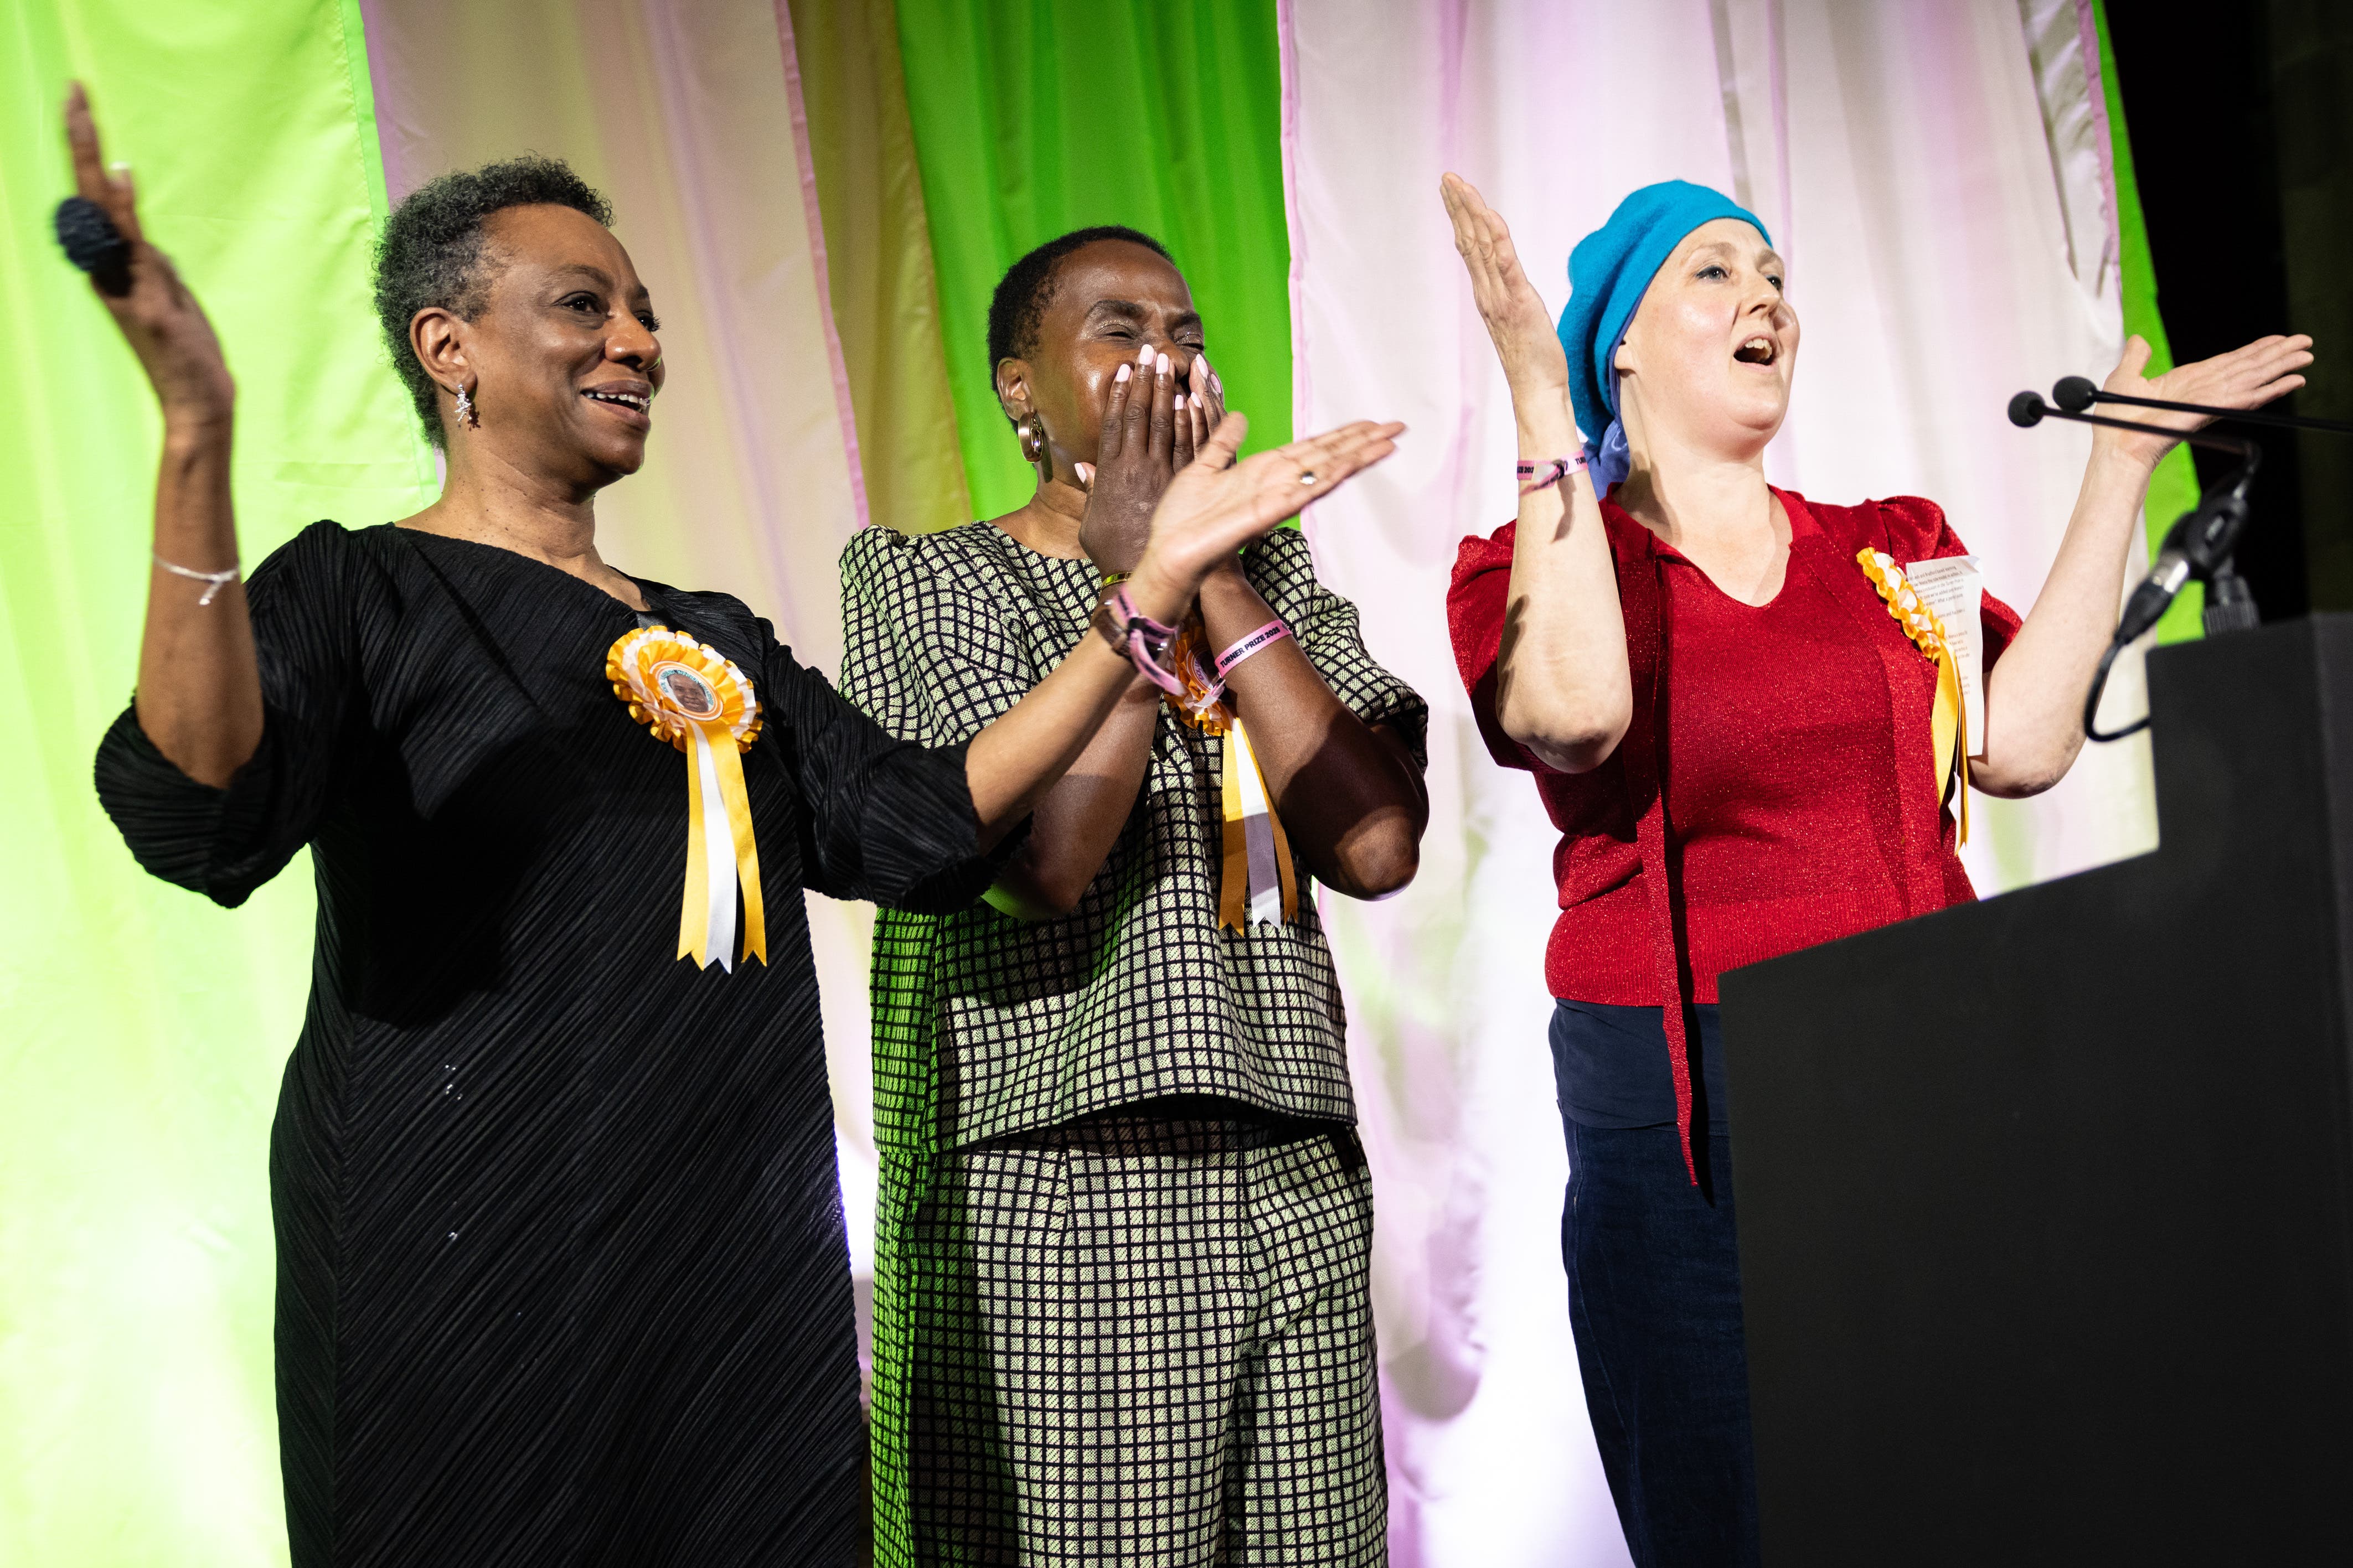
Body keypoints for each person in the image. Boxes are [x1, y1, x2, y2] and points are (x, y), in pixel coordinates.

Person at [66, 80, 1399, 1568]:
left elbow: (928, 820)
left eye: (640, 309)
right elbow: (198, 799)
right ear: (451, 349)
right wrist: (198, 435)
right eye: (583, 306)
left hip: (723, 1249)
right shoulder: (360, 592)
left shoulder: (722, 644)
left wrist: (1147, 594)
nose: (635, 339)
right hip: (459, 1233)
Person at [1438, 173, 2311, 1566]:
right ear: (1620, 343)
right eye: (1713, 273)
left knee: (1953, 1495)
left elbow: (2022, 742)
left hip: (1923, 1055)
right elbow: (1576, 715)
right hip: (1689, 1099)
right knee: (1737, 1517)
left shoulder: (1889, 546)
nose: (1765, 297)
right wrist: (1542, 408)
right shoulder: (1541, 561)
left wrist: (2122, 466)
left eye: (1775, 273)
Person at [837, 225, 1430, 1565]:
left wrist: (1211, 567)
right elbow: (1042, 867)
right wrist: (1136, 581)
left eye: (1188, 335)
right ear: (1017, 388)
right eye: (1118, 331)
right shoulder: (921, 578)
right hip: (1057, 1198)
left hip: (1292, 1178)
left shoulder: (1270, 584)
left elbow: (1376, 847)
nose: (1165, 360)